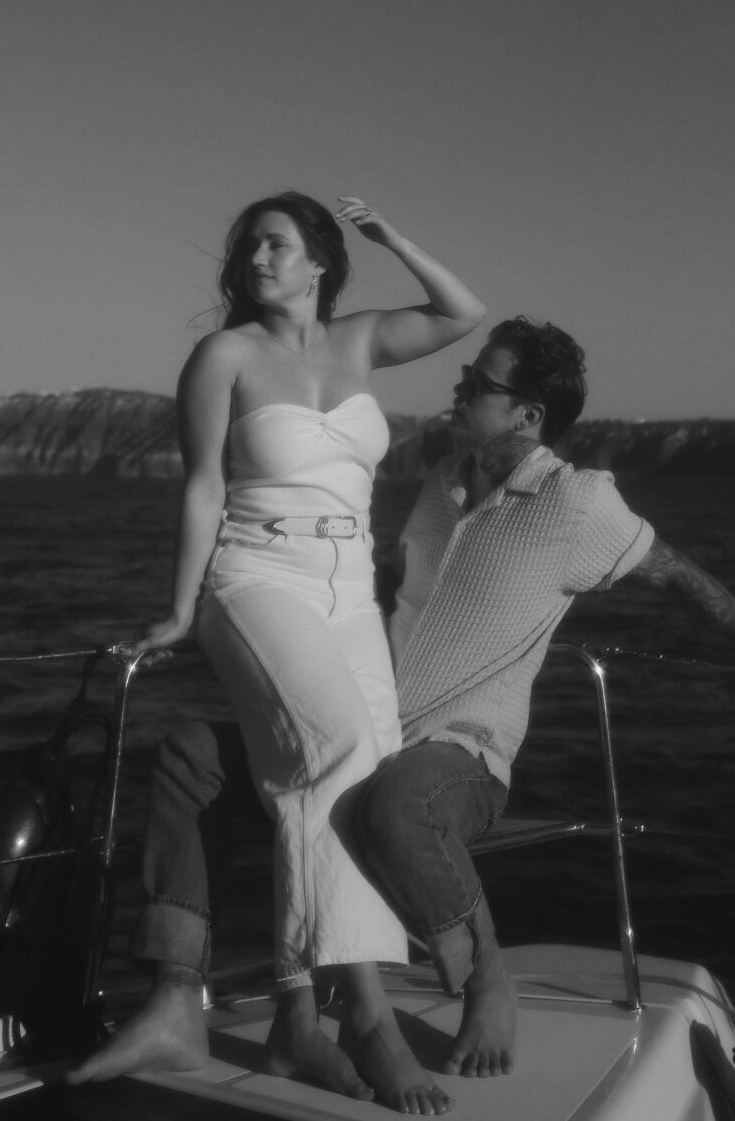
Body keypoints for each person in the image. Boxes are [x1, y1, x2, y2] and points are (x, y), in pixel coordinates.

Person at [70, 317, 735, 1092]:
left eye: (479, 384)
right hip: (368, 727)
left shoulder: (579, 504)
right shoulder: (441, 477)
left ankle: (484, 981)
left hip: (463, 751)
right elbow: (399, 587)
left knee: (391, 806)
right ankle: (176, 995)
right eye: (466, 375)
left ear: (527, 415)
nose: (458, 388)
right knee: (189, 759)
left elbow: (676, 573)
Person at [101, 192, 486, 1114]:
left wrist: (390, 233)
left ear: (318, 259)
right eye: (248, 250)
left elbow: (461, 313)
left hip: (350, 584)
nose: (255, 261)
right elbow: (201, 489)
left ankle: (294, 1023)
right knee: (336, 750)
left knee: (358, 777)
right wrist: (180, 607)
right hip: (256, 572)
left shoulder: (360, 341)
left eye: (275, 246)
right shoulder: (223, 355)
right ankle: (366, 1019)